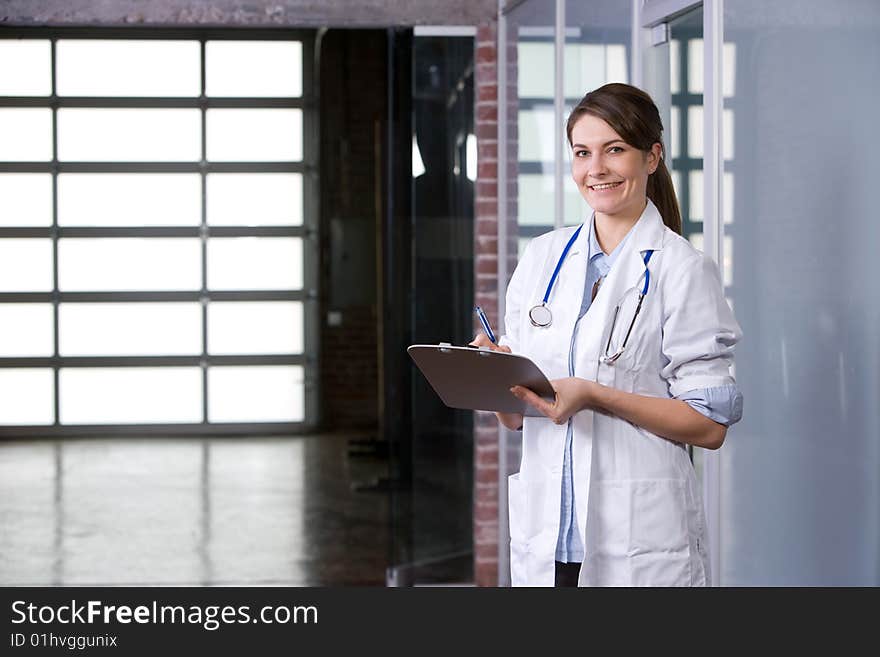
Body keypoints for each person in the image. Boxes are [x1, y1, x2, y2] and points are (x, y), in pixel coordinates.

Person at [470, 83, 742, 587]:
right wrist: (494, 376)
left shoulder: (682, 269)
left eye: (614, 149)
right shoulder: (541, 259)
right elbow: (516, 419)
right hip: (549, 541)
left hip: (639, 542)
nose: (596, 168)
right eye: (582, 153)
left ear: (652, 156)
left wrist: (594, 394)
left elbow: (709, 425)